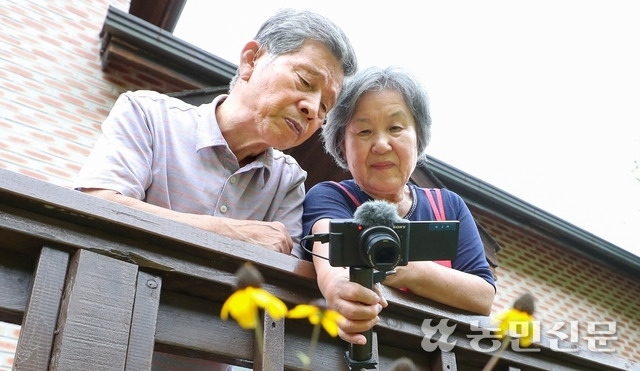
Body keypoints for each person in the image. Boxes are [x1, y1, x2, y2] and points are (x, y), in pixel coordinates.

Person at [74, 9, 357, 258]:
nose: (312, 109)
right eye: (305, 81)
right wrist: (229, 233)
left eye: (325, 107)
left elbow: (282, 272)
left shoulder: (288, 181)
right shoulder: (148, 115)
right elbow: (97, 206)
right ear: (251, 60)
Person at [294, 66, 496, 346]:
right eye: (364, 131)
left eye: (395, 128)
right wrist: (337, 287)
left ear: (418, 137)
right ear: (342, 146)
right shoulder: (330, 197)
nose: (380, 144)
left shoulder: (448, 205)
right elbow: (330, 255)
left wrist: (402, 268)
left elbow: (483, 296)